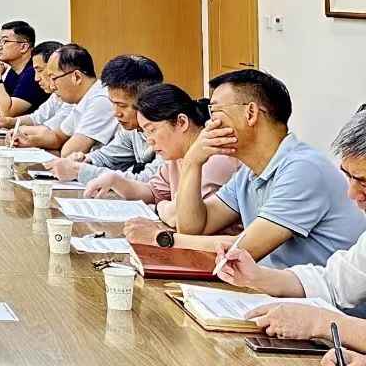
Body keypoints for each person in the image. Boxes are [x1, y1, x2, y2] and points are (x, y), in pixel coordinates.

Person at [169, 70, 366, 269]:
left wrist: (164, 239)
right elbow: (194, 229)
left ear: (250, 113)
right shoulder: (248, 173)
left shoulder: (304, 169)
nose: (209, 124)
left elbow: (242, 250)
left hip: (323, 289)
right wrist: (192, 163)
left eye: (215, 112)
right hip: (277, 284)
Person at [214, 108, 366, 351]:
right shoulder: (247, 173)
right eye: (349, 177)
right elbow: (332, 283)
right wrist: (258, 277)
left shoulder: (305, 167)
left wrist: (320, 322)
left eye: (364, 182)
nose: (352, 194)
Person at [81, 84, 240, 235]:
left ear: (182, 122)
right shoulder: (176, 155)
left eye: (152, 130)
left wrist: (158, 208)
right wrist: (115, 180)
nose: (149, 141)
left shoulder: (216, 155)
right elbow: (153, 192)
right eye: (145, 133)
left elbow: (179, 216)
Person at [46, 54, 163, 183]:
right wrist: (85, 160)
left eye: (122, 106)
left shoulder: (168, 129)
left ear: (148, 100)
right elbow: (109, 156)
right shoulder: (132, 129)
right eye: (113, 103)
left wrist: (80, 171)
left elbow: (148, 182)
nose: (116, 113)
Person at [16, 43, 116, 156]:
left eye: (53, 78)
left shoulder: (101, 100)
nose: (52, 86)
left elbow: (69, 152)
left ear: (77, 77)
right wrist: (29, 141)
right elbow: (57, 137)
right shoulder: (82, 99)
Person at [0, 42, 71, 137]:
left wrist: (17, 129)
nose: (36, 78)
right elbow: (36, 118)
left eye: (40, 70)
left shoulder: (72, 98)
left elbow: (50, 130)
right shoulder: (56, 96)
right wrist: (7, 121)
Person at [0, 21, 47, 119]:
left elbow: (7, 113)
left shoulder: (33, 72)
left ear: (23, 47)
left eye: (5, 41)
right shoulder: (13, 72)